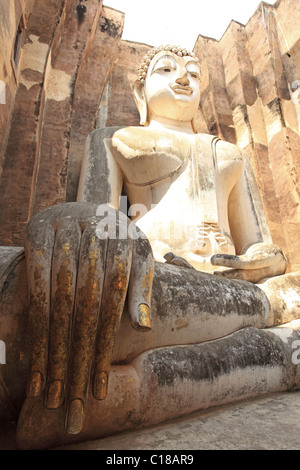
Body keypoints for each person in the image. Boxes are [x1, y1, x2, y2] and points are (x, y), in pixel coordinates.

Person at [20, 45, 295, 440]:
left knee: (294, 289)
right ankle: (265, 339)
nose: (184, 79)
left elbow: (261, 247)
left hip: (232, 281)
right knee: (115, 297)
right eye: (166, 69)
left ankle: (132, 391)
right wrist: (75, 220)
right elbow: (97, 227)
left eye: (194, 73)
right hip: (157, 278)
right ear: (140, 94)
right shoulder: (115, 139)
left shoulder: (231, 153)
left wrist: (260, 261)